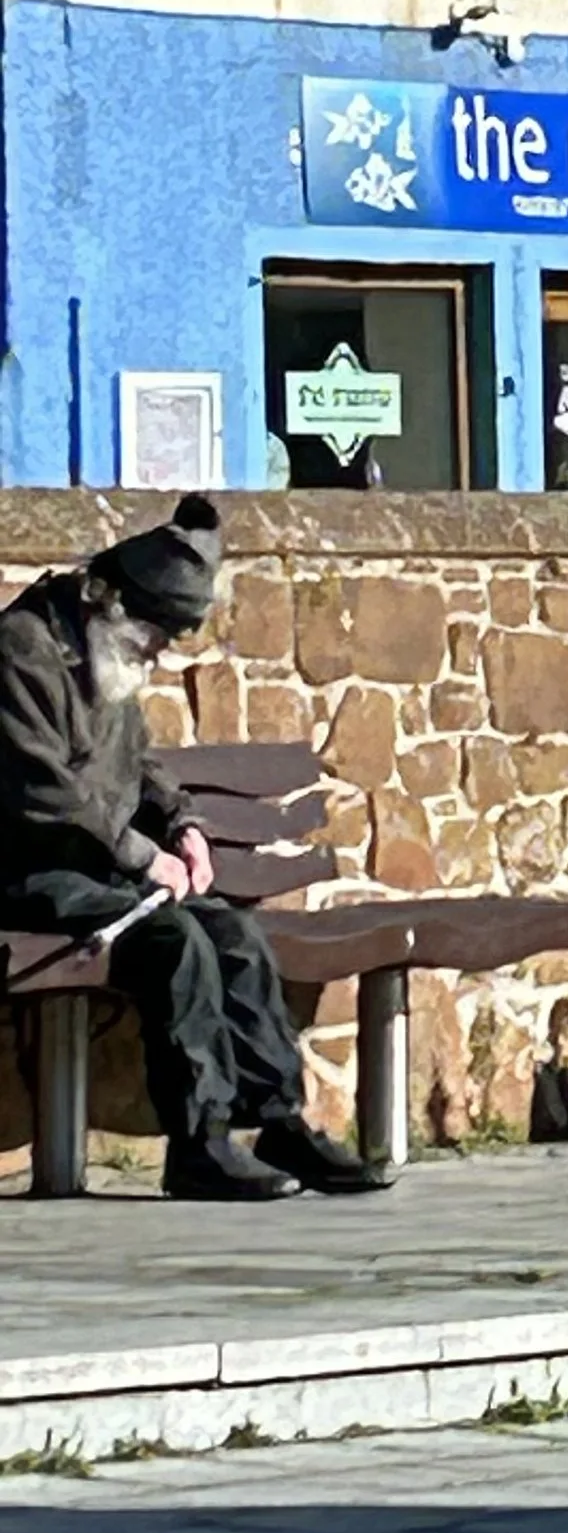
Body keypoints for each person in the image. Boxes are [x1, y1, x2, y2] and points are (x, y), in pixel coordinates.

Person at [0, 497, 386, 1201]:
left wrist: (183, 825)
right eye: (156, 635)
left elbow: (138, 763)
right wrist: (144, 858)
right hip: (31, 870)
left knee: (236, 934)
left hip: (101, 870)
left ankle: (277, 1121)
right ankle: (198, 1142)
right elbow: (44, 793)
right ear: (111, 602)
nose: (158, 653)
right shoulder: (23, 647)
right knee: (174, 941)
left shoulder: (104, 648)